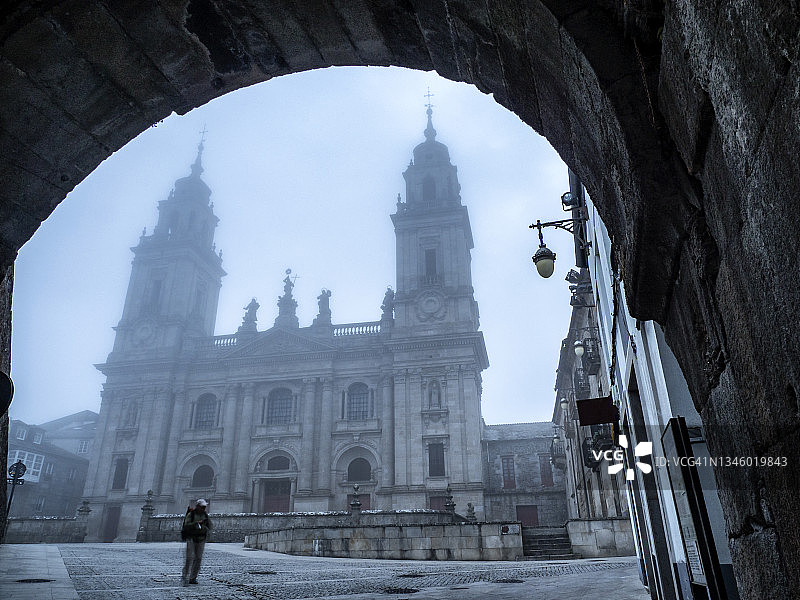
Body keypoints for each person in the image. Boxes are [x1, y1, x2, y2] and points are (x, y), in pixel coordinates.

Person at [181, 498, 212, 586]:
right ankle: (185, 575)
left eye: (204, 507)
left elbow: (210, 526)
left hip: (201, 539)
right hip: (191, 538)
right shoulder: (191, 514)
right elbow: (186, 525)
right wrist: (196, 523)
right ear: (197, 506)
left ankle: (193, 577)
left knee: (198, 558)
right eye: (202, 507)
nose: (203, 509)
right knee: (189, 558)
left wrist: (205, 526)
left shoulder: (205, 515)